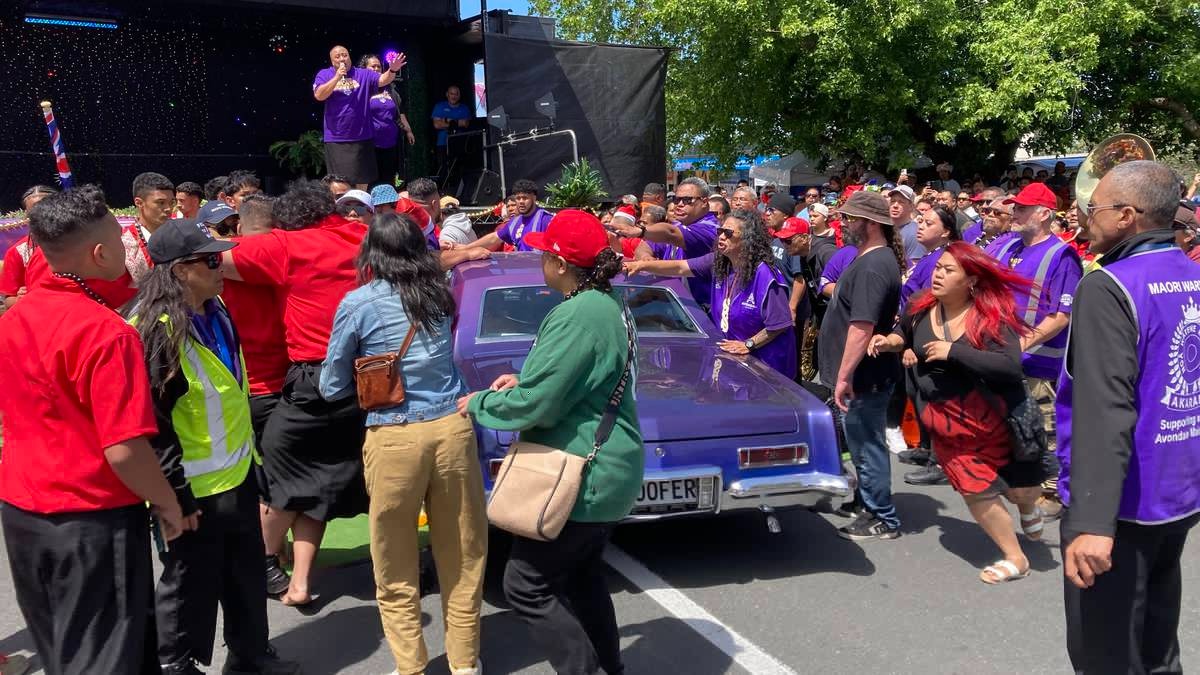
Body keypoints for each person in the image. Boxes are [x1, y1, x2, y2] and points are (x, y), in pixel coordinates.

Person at [0, 186, 184, 675]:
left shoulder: (15, 319)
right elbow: (124, 448)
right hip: (91, 517)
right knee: (103, 657)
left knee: (63, 648)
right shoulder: (106, 332)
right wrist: (168, 503)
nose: (128, 250)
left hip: (23, 511)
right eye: (120, 243)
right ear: (99, 254)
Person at [458, 210, 643, 675]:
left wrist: (480, 404)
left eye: (544, 253)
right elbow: (579, 378)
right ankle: (609, 667)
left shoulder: (578, 312)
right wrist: (522, 379)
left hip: (582, 470)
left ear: (560, 264)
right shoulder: (603, 303)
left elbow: (538, 404)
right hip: (605, 465)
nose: (539, 259)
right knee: (582, 578)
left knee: (524, 584)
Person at [128, 219, 298, 675]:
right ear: (180, 270)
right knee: (187, 589)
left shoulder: (215, 307)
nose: (221, 264)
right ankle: (177, 668)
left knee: (244, 577)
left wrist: (253, 462)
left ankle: (251, 657)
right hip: (192, 490)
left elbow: (230, 393)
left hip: (237, 475)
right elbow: (154, 425)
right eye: (209, 259)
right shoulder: (155, 329)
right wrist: (173, 496)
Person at [321, 212, 487, 675]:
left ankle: (410, 666)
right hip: (451, 428)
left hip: (393, 436)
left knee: (393, 560)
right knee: (462, 553)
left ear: (372, 252)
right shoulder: (440, 295)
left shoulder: (358, 303)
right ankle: (465, 662)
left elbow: (332, 385)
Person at [1055, 160, 1200, 674]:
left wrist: (1093, 522)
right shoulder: (1193, 273)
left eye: (1093, 207)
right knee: (1158, 644)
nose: (1084, 214)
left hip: (1120, 504)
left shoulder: (1109, 285)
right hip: (1179, 492)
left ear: (1127, 216)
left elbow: (1104, 407)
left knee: (1106, 654)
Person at [217, 179, 370, 606]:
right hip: (364, 379)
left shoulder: (283, 247)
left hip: (302, 384)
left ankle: (264, 562)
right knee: (318, 481)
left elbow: (208, 261)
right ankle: (297, 579)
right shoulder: (361, 236)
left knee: (283, 480)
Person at [869, 242, 1046, 581]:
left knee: (1018, 489)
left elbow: (1008, 366)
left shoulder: (991, 317)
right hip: (946, 424)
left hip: (993, 421)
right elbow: (902, 332)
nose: (938, 275)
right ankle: (1015, 558)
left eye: (949, 271)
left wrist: (954, 352)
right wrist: (889, 342)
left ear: (972, 281)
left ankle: (1027, 506)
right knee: (974, 489)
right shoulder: (920, 307)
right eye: (938, 268)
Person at [992, 182, 1083, 520]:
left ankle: (1054, 492)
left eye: (1023, 208)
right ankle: (1020, 481)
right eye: (1015, 207)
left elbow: (1061, 316)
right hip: (1002, 357)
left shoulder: (1061, 255)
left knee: (1045, 429)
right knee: (1011, 424)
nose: (1014, 212)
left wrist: (1021, 345)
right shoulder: (1006, 247)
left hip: (1039, 363)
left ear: (1044, 214)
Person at [819, 189, 904, 540]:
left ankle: (881, 515)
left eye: (850, 218)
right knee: (858, 443)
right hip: (859, 375)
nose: (845, 223)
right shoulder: (866, 257)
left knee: (867, 444)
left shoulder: (873, 265)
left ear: (869, 223)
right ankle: (863, 500)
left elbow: (862, 326)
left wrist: (843, 375)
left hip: (864, 377)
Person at [625, 209, 797, 378]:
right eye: (720, 231)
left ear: (748, 239)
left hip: (768, 367)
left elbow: (780, 324)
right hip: (736, 361)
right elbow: (680, 267)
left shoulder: (765, 275)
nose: (721, 236)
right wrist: (640, 265)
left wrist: (749, 344)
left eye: (728, 233)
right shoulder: (719, 262)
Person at [314, 45, 406, 188]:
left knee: (363, 180)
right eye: (337, 56)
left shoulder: (363, 74)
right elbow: (319, 95)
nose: (341, 58)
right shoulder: (324, 74)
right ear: (332, 61)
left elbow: (383, 80)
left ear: (349, 57)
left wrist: (392, 69)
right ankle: (342, 209)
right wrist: (337, 76)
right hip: (337, 138)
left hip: (362, 137)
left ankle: (362, 207)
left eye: (344, 55)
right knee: (340, 183)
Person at [626, 177, 721, 306]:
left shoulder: (711, 229)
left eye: (687, 200)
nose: (680, 204)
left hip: (700, 311)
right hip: (673, 306)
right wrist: (646, 258)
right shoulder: (677, 225)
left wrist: (640, 231)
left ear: (704, 202)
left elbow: (670, 234)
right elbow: (644, 246)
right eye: (677, 200)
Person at [360, 54, 414, 187]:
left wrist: (408, 131)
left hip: (391, 143)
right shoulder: (362, 89)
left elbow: (400, 113)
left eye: (379, 66)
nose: (377, 69)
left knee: (388, 180)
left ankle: (387, 206)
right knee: (372, 181)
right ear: (364, 69)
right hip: (370, 144)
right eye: (373, 66)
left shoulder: (391, 89)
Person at [0, 185, 58, 309]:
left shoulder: (77, 244)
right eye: (33, 212)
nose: (40, 216)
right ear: (26, 216)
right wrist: (20, 299)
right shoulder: (17, 252)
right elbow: (8, 300)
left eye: (46, 209)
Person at [900, 204, 960, 308]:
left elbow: (926, 302)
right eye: (921, 221)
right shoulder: (930, 255)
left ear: (945, 232)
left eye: (928, 224)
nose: (921, 227)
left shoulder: (939, 261)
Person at [467, 179, 551, 251]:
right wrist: (466, 248)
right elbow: (493, 239)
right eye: (518, 198)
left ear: (534, 198)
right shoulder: (514, 222)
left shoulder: (545, 219)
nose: (521, 201)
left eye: (525, 198)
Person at [431, 85, 471, 183]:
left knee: (460, 170)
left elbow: (465, 123)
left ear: (459, 95)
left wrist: (446, 120)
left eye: (456, 94)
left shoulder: (464, 108)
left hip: (460, 144)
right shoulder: (440, 106)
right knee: (443, 169)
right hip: (443, 144)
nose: (454, 96)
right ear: (447, 95)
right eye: (451, 94)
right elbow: (436, 125)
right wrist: (457, 123)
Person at [133, 171, 177, 240]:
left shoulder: (180, 237)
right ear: (139, 203)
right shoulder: (121, 242)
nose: (168, 208)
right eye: (161, 203)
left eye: (171, 203)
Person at [888, 185, 924, 265]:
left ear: (911, 207)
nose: (895, 205)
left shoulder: (916, 233)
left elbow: (914, 267)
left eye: (901, 202)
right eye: (893, 201)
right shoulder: (884, 229)